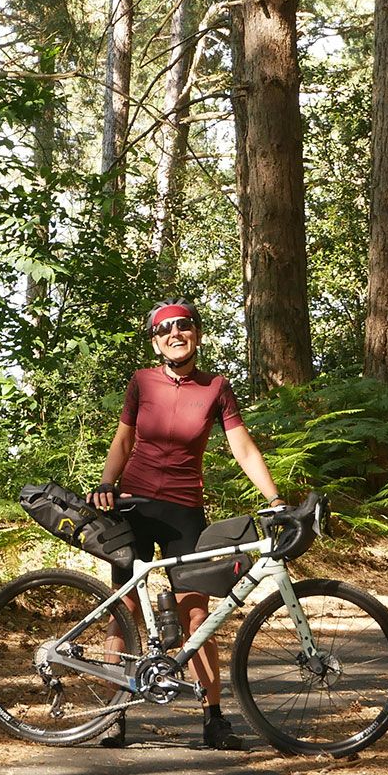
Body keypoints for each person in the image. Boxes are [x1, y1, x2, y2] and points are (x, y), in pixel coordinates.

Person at [88, 302, 286, 750]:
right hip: (134, 505)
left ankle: (213, 717)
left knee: (196, 613)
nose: (175, 333)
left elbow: (244, 449)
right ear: (156, 341)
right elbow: (124, 439)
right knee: (126, 611)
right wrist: (105, 483)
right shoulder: (141, 382)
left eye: (183, 326)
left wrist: (274, 500)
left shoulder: (216, 387)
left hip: (184, 510)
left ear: (196, 333)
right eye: (164, 329)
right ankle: (112, 715)